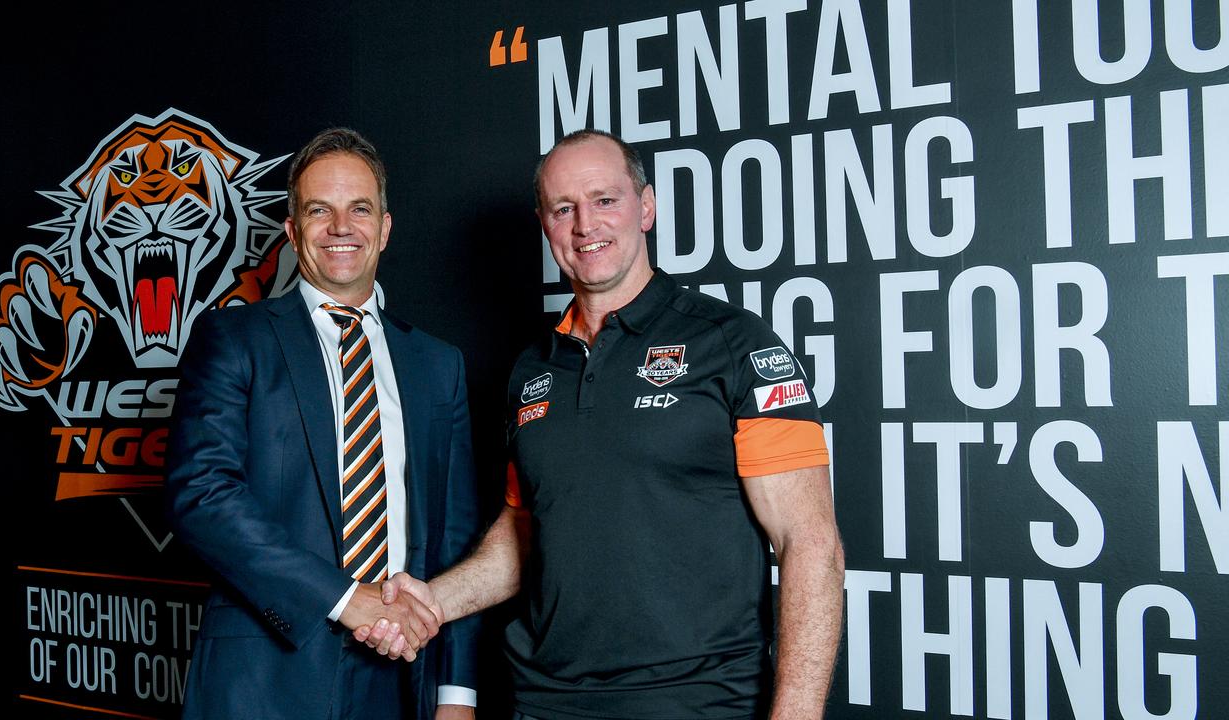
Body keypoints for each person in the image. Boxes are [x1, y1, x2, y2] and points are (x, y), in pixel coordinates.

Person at [362, 129, 845, 719]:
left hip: (696, 703)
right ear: (545, 224)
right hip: (544, 703)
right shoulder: (532, 371)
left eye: (605, 200)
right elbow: (525, 534)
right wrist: (430, 601)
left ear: (646, 208)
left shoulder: (733, 345)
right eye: (563, 208)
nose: (585, 225)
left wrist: (796, 713)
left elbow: (810, 544)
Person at [166, 127, 480, 720]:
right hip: (263, 680)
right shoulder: (234, 339)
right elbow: (200, 495)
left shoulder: (439, 366)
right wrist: (343, 600)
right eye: (320, 211)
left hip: (401, 678)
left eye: (360, 209)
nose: (342, 228)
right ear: (292, 231)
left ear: (385, 228)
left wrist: (456, 692)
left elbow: (454, 542)